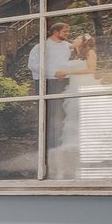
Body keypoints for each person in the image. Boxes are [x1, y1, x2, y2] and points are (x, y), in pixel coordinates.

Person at [28, 21, 98, 177]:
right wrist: (54, 73)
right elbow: (33, 66)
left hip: (66, 83)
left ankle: (63, 150)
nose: (68, 34)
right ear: (55, 32)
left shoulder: (68, 47)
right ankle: (48, 152)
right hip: (47, 82)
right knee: (50, 116)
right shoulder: (41, 47)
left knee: (63, 117)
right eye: (65, 31)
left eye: (68, 32)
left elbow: (79, 64)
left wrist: (66, 74)